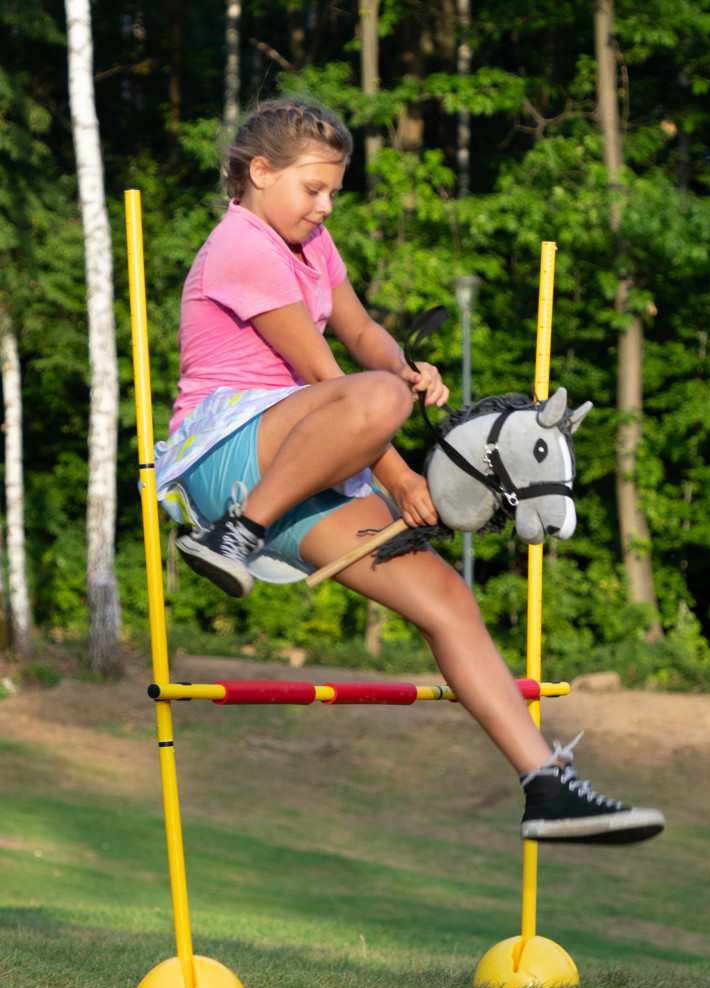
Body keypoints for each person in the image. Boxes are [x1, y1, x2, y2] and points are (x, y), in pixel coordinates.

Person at [154, 97, 664, 846]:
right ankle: (233, 533)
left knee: (448, 600)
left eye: (333, 191)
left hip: (306, 460)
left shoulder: (313, 249)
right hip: (229, 451)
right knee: (373, 397)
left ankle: (546, 785)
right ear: (259, 173)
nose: (325, 207)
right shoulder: (242, 243)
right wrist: (396, 469)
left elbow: (358, 331)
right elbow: (322, 370)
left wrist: (405, 371)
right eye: (313, 189)